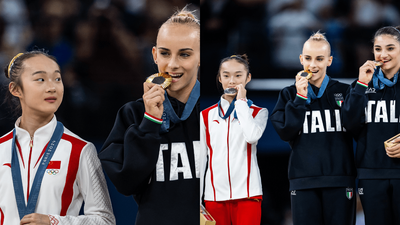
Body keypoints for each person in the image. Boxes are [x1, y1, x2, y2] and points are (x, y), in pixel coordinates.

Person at [98, 8, 200, 225]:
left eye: (185, 54)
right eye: (165, 53)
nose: (172, 64)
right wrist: (150, 122)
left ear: (200, 57)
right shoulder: (133, 114)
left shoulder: (214, 113)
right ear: (154, 55)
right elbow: (126, 183)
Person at [0, 51, 115, 225]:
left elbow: (105, 220)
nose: (52, 87)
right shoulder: (1, 148)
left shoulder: (80, 150)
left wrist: (55, 222)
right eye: (40, 79)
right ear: (16, 90)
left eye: (57, 79)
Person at [270, 32, 356, 225]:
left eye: (319, 59)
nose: (313, 65)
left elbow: (357, 127)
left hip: (340, 180)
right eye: (308, 58)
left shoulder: (345, 91)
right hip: (303, 181)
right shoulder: (288, 94)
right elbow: (286, 132)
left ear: (330, 61)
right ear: (301, 59)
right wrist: (300, 98)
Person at [200, 54, 268, 225]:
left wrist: (241, 102)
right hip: (214, 197)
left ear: (248, 78)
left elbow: (252, 136)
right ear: (219, 78)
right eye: (226, 75)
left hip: (248, 195)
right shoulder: (206, 115)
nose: (231, 81)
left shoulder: (258, 112)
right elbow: (201, 160)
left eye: (238, 75)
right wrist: (197, 198)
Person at [342, 26, 400, 225]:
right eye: (378, 49)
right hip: (371, 175)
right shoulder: (360, 86)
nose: (383, 54)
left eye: (390, 48)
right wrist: (361, 84)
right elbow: (349, 125)